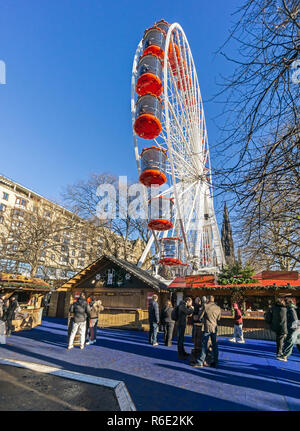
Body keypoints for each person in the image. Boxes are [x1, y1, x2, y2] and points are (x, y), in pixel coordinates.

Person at [192, 295, 221, 368]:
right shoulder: (218, 308)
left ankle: (200, 362)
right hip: (214, 328)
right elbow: (219, 318)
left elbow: (200, 316)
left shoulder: (206, 306)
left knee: (204, 345)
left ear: (208, 300)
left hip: (207, 327)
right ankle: (215, 361)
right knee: (215, 345)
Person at [278, 298, 299, 362]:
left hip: (294, 328)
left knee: (289, 341)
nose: (282, 304)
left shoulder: (291, 309)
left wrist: (293, 329)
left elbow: (295, 320)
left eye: (284, 302)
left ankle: (285, 356)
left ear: (287, 303)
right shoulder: (290, 308)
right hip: (295, 328)